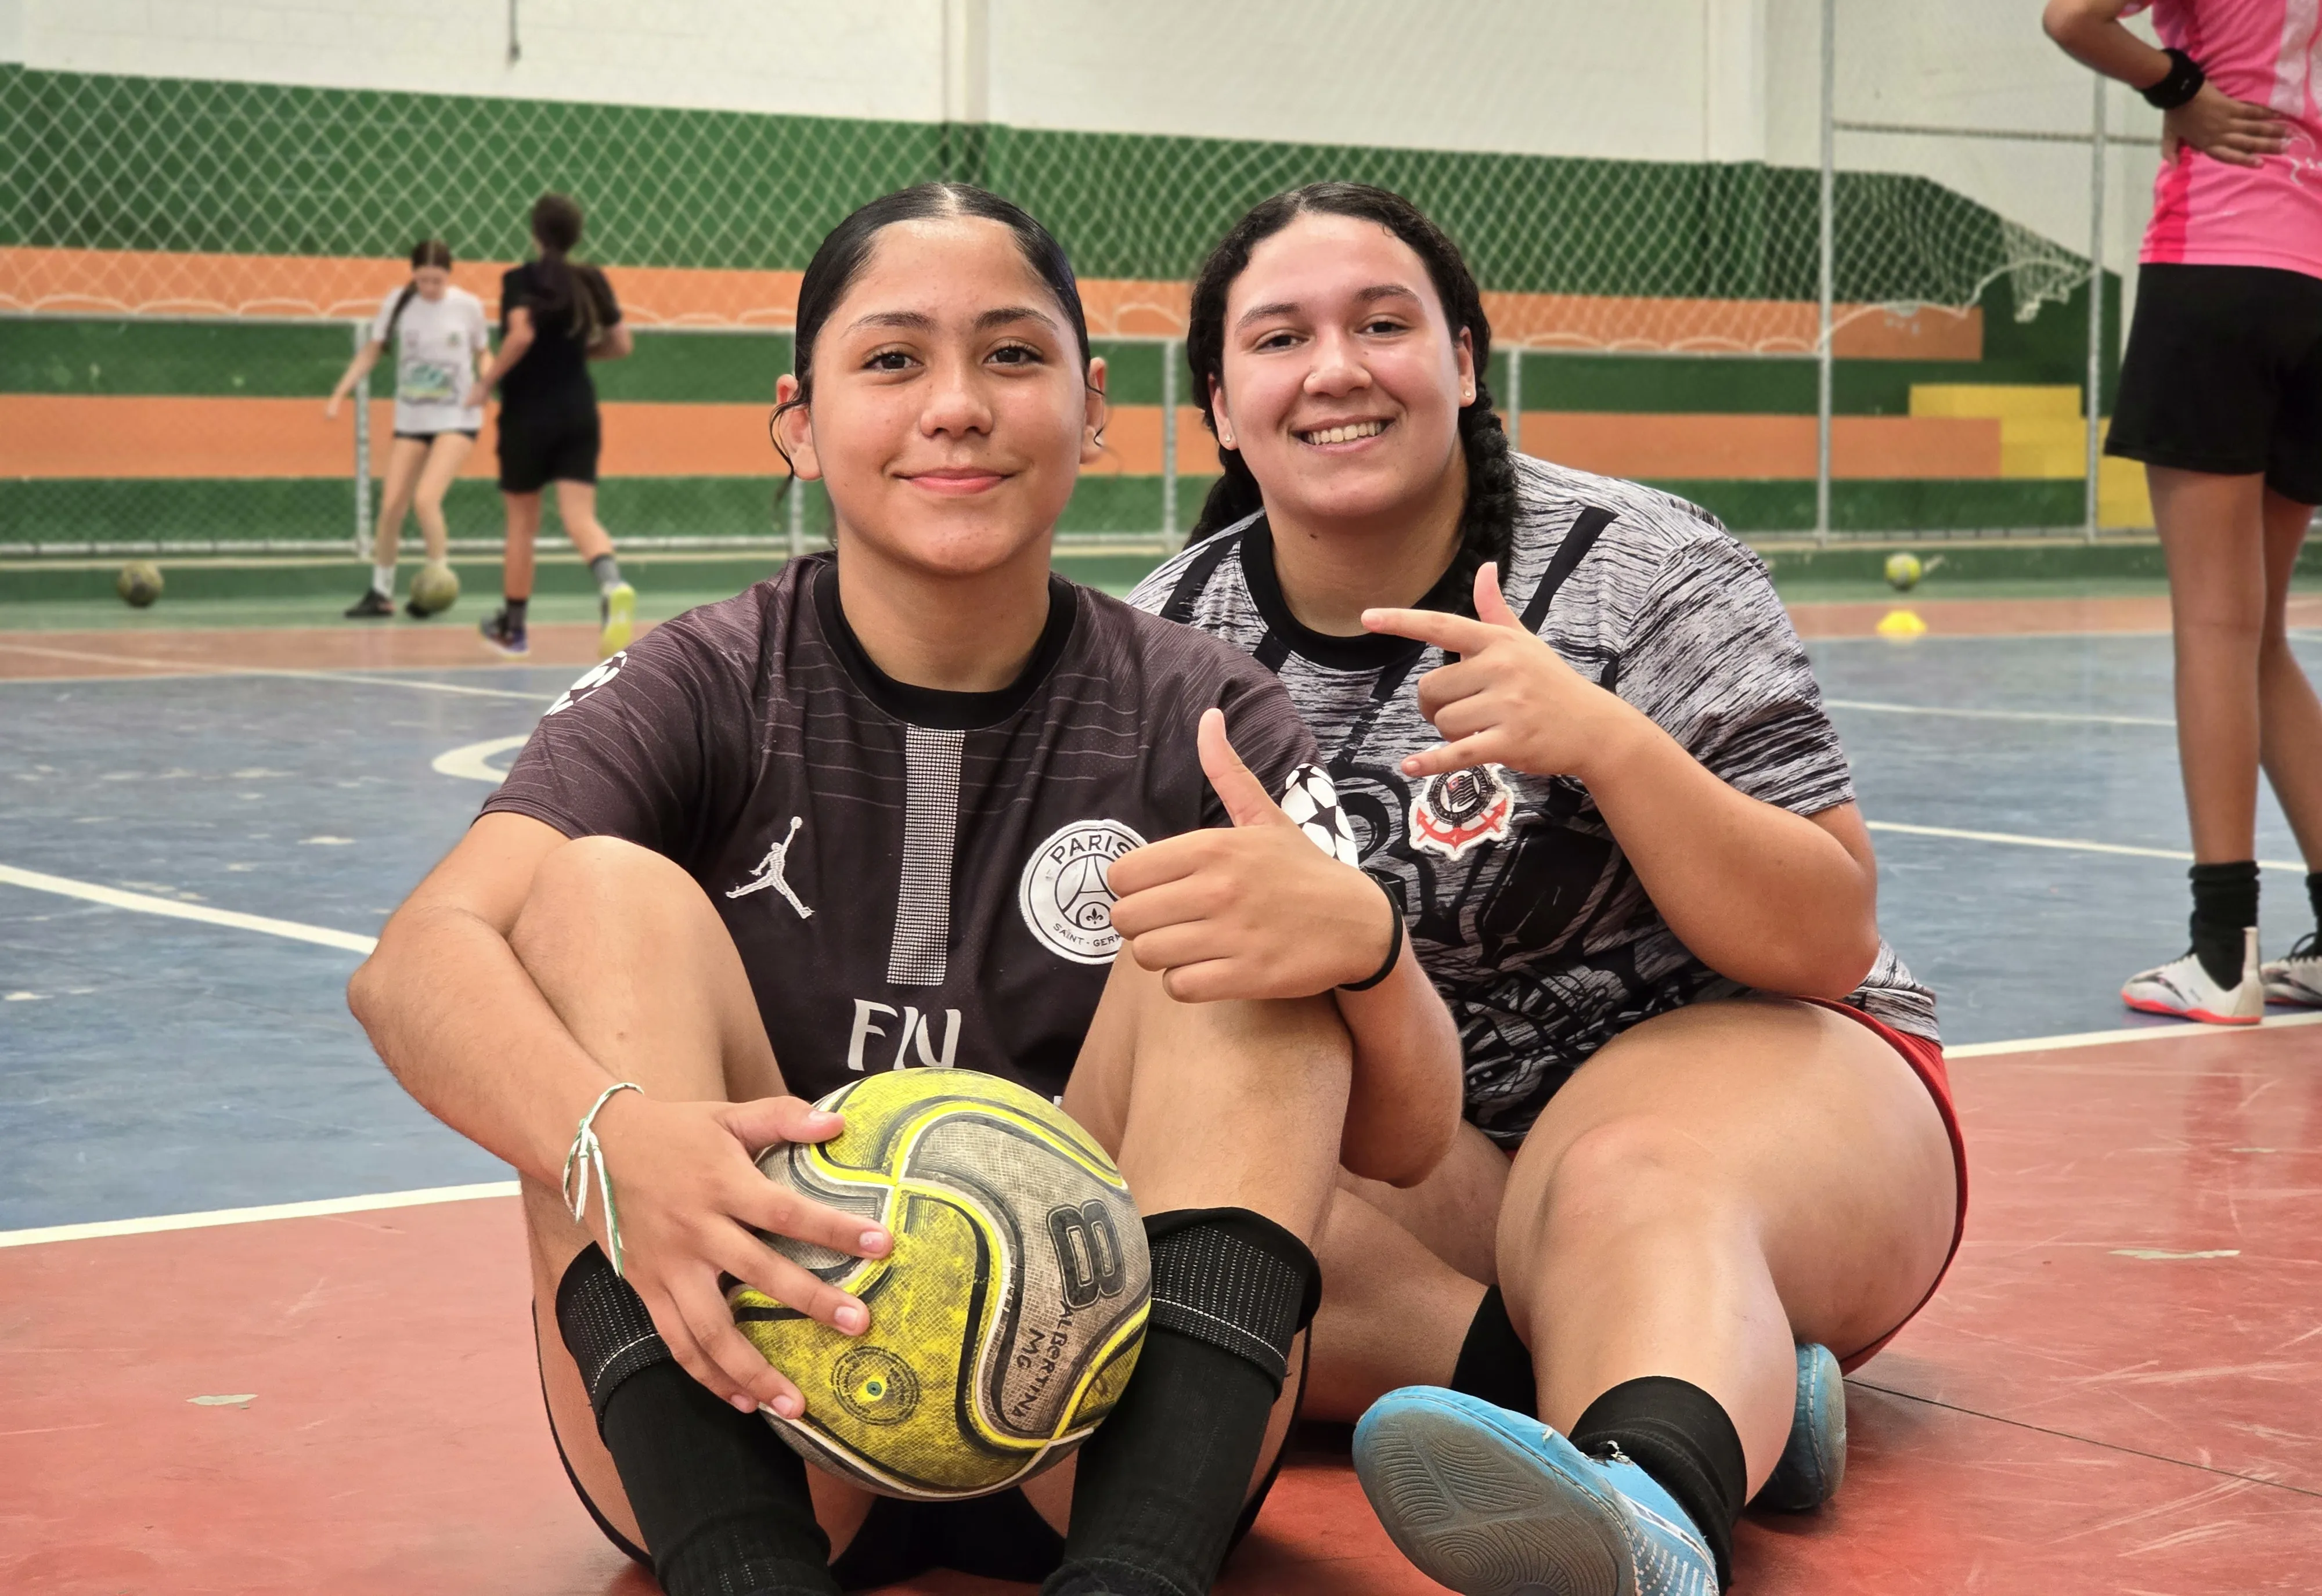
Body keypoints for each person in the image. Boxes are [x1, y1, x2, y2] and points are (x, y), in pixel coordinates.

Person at [348, 182, 1463, 1596]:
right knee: (590, 897)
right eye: (891, 359)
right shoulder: (704, 681)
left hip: (1095, 1419)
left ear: (1093, 402)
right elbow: (413, 965)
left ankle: (1136, 1574)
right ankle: (745, 1568)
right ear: (799, 421)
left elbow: (1412, 1141)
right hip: (763, 1396)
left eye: (1010, 354)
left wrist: (1365, 950)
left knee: (1242, 920)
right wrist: (611, 1142)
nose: (956, 406)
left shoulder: (1203, 708)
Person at [1124, 183, 1966, 1595]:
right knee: (1169, 1229)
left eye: (1382, 324)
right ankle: (1712, 1386)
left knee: (1623, 1176)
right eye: (1280, 339)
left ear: (1461, 361)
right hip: (1428, 1145)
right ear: (1221, 400)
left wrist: (1606, 742)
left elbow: (1829, 931)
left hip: (1756, 1080)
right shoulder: (1165, 640)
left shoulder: (1642, 566)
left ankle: (1653, 1514)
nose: (1335, 367)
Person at [2043, 0, 2322, 1020]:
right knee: (2258, 638)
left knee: (2215, 623)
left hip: (2222, 262)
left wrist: (2180, 87)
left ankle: (2221, 954)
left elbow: (2072, 17)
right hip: (2317, 290)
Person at [464, 193, 637, 660]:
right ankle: (612, 584)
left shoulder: (522, 279)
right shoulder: (591, 279)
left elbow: (520, 334)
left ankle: (514, 630)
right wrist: (579, 353)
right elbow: (621, 343)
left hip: (527, 413)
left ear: (536, 234)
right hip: (578, 408)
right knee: (580, 516)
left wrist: (486, 383)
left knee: (522, 524)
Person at [324, 239, 487, 619]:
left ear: (450, 275)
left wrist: (486, 378)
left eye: (438, 280)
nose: (430, 287)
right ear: (413, 274)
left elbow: (483, 351)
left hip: (458, 418)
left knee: (426, 499)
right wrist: (339, 392)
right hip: (412, 420)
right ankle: (381, 593)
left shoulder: (468, 307)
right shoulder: (399, 304)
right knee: (391, 505)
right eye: (424, 279)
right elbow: (371, 351)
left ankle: (438, 583)